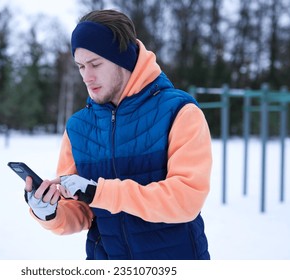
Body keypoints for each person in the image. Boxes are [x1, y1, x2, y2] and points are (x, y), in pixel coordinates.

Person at [24, 9, 212, 260]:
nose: (86, 77)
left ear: (123, 59)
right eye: (80, 66)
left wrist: (99, 192)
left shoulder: (179, 112)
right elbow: (81, 211)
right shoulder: (78, 128)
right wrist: (49, 212)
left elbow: (186, 200)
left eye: (95, 64)